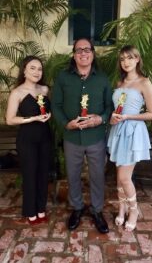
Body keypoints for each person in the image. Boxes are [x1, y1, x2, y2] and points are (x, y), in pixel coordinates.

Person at [51, 38, 112, 233]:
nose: (83, 53)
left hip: (96, 137)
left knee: (97, 176)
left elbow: (109, 107)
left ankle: (97, 210)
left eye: (87, 49)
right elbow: (56, 106)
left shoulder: (102, 79)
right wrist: (64, 124)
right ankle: (77, 208)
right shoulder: (63, 77)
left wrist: (100, 119)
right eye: (79, 50)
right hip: (72, 138)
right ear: (74, 54)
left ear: (93, 53)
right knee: (73, 175)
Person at [107, 45, 152, 231]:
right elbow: (117, 110)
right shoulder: (119, 83)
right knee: (119, 179)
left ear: (137, 59)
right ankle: (122, 208)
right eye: (122, 59)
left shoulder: (144, 82)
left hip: (133, 133)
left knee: (124, 177)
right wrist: (113, 118)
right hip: (118, 131)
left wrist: (128, 117)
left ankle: (134, 210)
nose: (126, 62)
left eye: (129, 58)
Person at [6, 55, 52, 225]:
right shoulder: (17, 92)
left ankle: (41, 208)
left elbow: (50, 110)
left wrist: (49, 115)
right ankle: (30, 211)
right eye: (32, 68)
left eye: (39, 69)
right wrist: (31, 119)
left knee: (42, 174)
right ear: (24, 71)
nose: (36, 72)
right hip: (27, 139)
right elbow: (10, 119)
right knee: (30, 174)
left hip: (45, 137)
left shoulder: (45, 90)